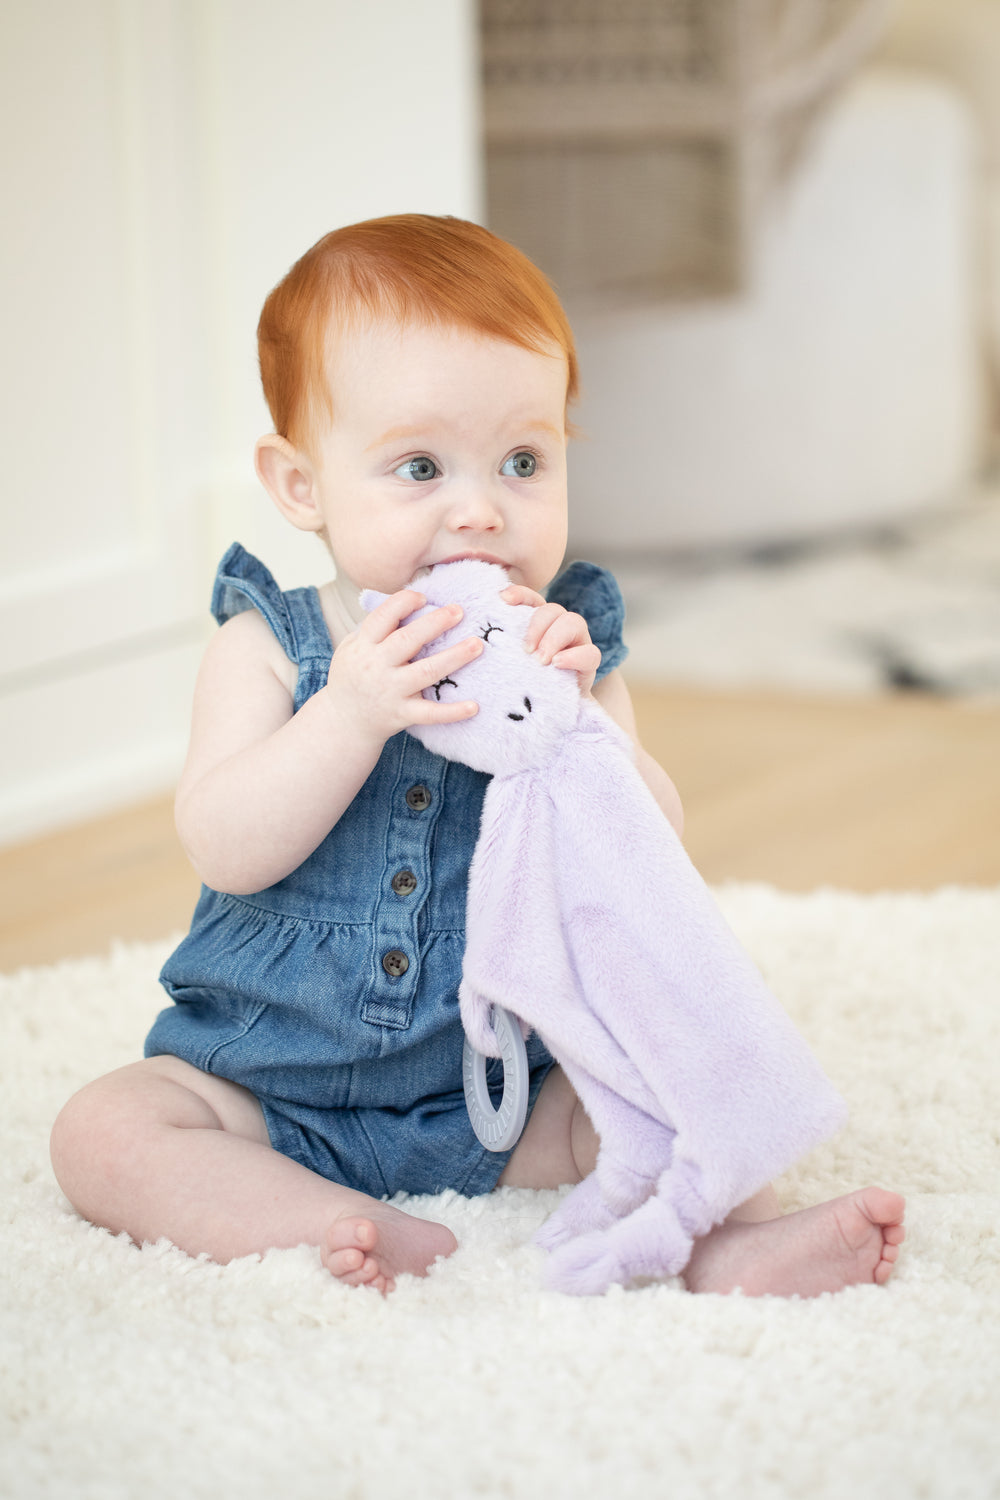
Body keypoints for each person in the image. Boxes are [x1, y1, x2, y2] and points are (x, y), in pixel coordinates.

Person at [50, 215, 905, 1296]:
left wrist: (579, 714)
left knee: (679, 1079)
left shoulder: (564, 647)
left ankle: (727, 1245)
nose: (480, 510)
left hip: (508, 1093)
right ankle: (318, 1222)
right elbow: (225, 846)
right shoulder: (271, 644)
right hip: (269, 1086)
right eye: (419, 466)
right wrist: (349, 714)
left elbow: (650, 853)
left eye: (522, 460)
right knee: (105, 1130)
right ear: (301, 484)